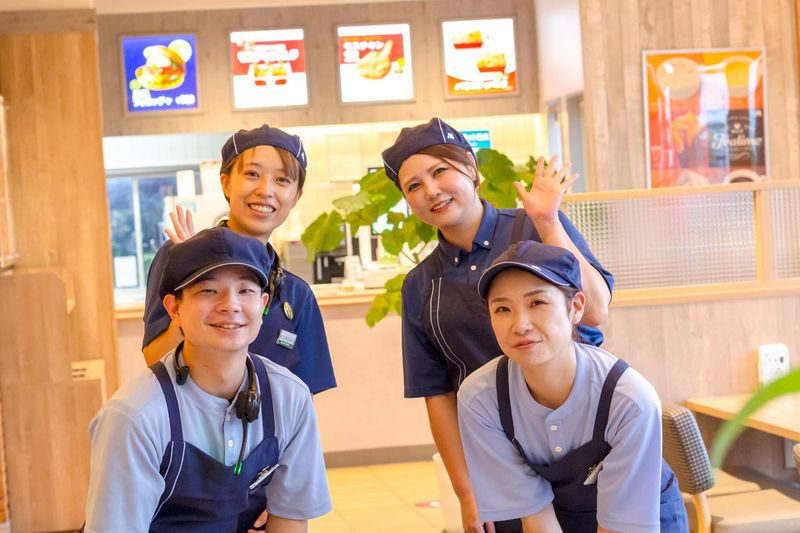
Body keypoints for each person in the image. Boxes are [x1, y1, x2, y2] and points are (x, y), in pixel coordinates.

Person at [381, 117, 614, 532]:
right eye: (413, 185)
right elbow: (438, 394)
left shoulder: (534, 225)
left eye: (439, 171)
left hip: (587, 443)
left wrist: (548, 221)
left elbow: (595, 311)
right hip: (500, 460)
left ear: (471, 168)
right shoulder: (421, 284)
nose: (430, 190)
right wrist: (468, 492)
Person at [85, 227, 331, 532]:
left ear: (264, 304)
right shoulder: (133, 417)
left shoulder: (290, 397)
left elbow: (290, 519)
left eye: (245, 291)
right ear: (174, 308)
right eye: (208, 291)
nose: (230, 305)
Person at [457, 241, 688, 532]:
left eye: (537, 303)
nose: (520, 325)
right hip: (560, 518)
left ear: (576, 307)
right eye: (503, 308)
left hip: (640, 517)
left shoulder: (629, 400)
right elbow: (536, 518)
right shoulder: (481, 399)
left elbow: (622, 526)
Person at [143, 124, 336, 396]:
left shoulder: (297, 294)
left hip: (271, 425)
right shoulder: (177, 256)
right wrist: (193, 279)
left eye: (282, 180)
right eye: (252, 174)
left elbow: (304, 399)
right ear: (226, 183)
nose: (265, 190)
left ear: (296, 196)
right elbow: (155, 360)